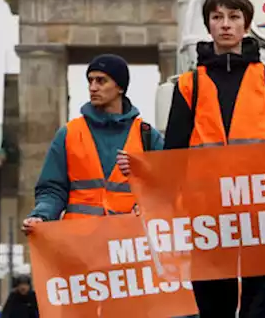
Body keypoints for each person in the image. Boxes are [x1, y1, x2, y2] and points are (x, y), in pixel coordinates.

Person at [163, 0, 265, 318]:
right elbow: (173, 156)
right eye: (217, 17)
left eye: (234, 17)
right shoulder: (188, 84)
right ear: (208, 25)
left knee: (260, 311)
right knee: (214, 312)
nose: (226, 24)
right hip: (207, 221)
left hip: (264, 218)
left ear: (247, 25)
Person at [21, 54, 163, 231]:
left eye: (101, 81)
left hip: (128, 245)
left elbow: (167, 188)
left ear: (120, 87)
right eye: (90, 81)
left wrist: (149, 206)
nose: (93, 88)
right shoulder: (68, 134)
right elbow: (52, 189)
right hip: (81, 246)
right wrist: (41, 216)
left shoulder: (147, 136)